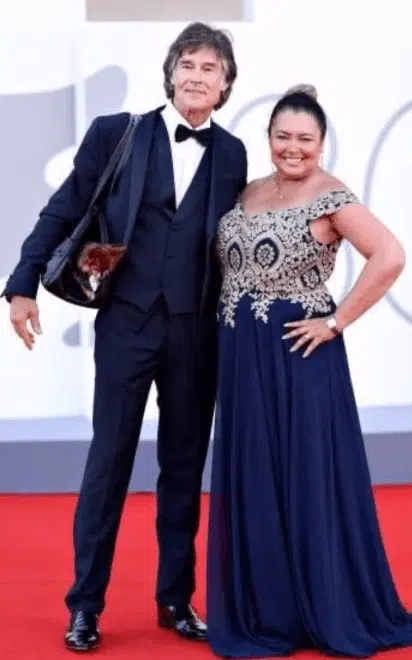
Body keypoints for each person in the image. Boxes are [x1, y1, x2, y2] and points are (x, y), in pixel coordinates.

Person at [4, 22, 247, 652]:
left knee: (184, 468)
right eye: (188, 64)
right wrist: (22, 282)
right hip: (127, 325)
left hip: (196, 333)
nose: (196, 76)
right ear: (170, 73)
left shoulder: (233, 153)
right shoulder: (118, 134)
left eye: (210, 68)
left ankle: (176, 598)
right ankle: (85, 606)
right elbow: (64, 208)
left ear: (225, 86)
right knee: (107, 463)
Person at [207, 84, 412, 658]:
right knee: (257, 475)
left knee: (306, 477)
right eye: (283, 137)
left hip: (299, 359)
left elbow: (390, 255)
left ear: (321, 143)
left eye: (305, 139)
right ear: (268, 137)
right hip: (242, 358)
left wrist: (337, 320)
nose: (292, 148)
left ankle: (322, 605)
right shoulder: (249, 191)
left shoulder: (332, 196)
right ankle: (269, 608)